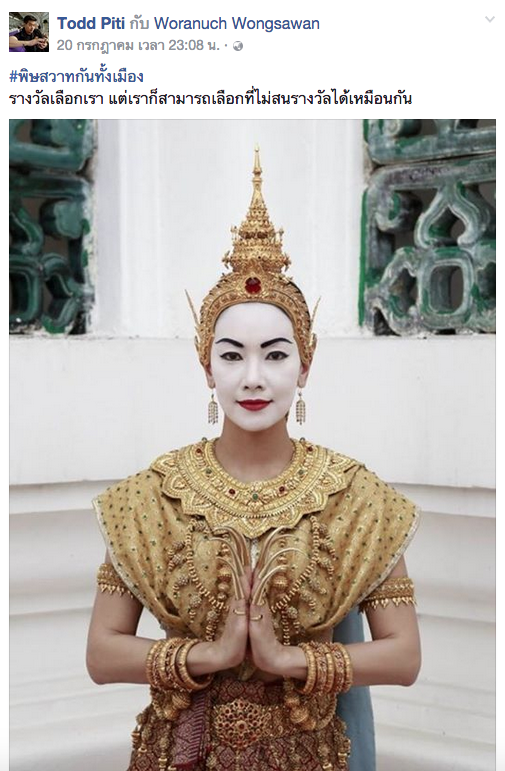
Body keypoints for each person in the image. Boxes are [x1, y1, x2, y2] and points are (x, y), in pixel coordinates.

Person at [87, 150, 421, 771]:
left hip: (309, 753)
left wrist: (291, 660)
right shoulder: (151, 496)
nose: (253, 378)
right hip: (182, 752)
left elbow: (403, 656)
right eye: (232, 355)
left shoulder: (356, 498)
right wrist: (206, 657)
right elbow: (102, 653)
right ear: (205, 366)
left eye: (275, 354)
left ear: (305, 364)